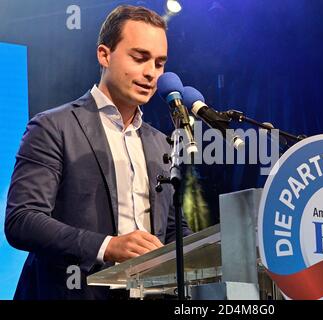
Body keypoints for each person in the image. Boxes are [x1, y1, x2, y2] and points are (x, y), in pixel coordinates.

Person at [4, 5, 192, 300]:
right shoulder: (53, 127)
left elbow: (173, 231)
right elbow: (23, 220)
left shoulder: (161, 143)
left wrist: (221, 251)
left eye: (159, 63)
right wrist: (108, 246)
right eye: (140, 58)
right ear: (105, 55)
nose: (151, 73)